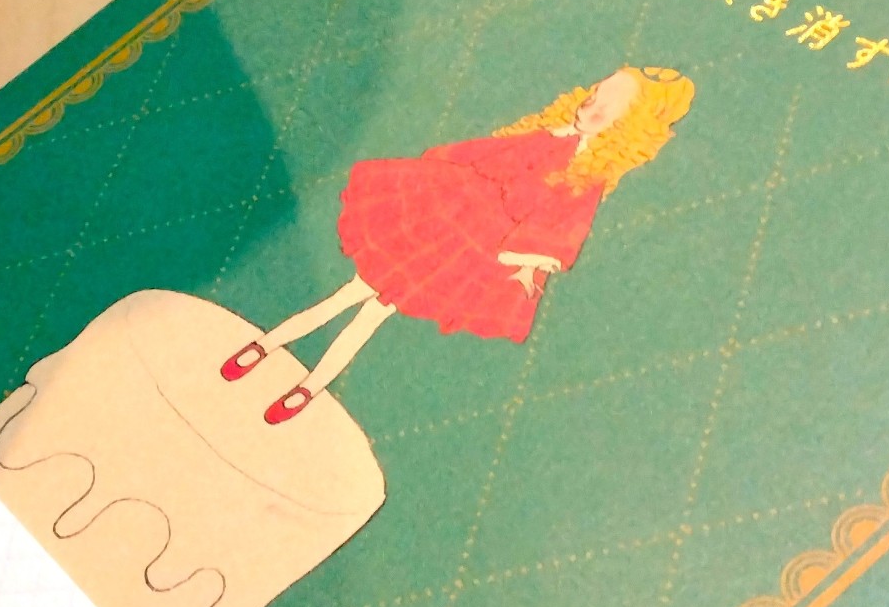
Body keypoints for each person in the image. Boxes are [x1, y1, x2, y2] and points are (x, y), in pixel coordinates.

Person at [221, 63, 695, 422]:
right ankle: (268, 349)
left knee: (372, 310)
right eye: (594, 95)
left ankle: (303, 384)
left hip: (469, 250)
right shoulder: (547, 134)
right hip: (444, 219)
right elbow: (483, 154)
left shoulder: (584, 178)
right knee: (353, 292)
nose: (590, 107)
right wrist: (439, 168)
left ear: (627, 128)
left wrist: (526, 262)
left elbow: (560, 227)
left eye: (607, 108)